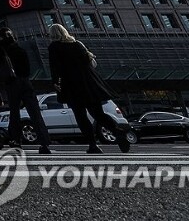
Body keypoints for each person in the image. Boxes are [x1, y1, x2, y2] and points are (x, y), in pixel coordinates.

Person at [47, 23, 131, 154]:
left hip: (71, 85)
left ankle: (93, 145)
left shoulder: (54, 47)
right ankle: (117, 131)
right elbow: (90, 62)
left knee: (80, 115)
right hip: (89, 83)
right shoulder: (77, 44)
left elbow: (55, 66)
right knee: (98, 114)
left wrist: (55, 82)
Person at [0, 27, 52, 155]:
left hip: (12, 83)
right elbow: (27, 67)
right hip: (26, 81)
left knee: (14, 112)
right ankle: (44, 142)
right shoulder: (19, 47)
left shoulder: (1, 48)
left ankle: (16, 140)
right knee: (35, 112)